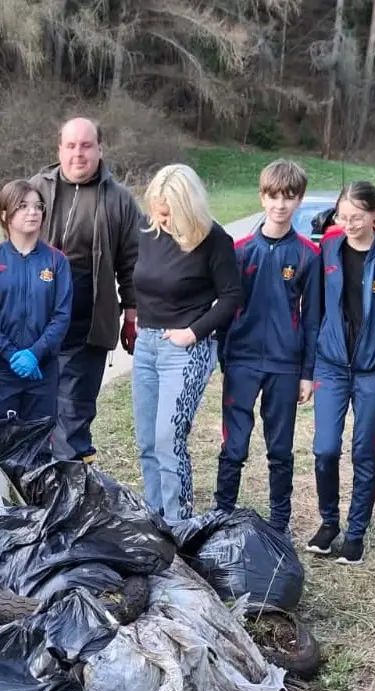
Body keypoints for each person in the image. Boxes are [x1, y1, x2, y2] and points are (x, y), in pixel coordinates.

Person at [214, 159, 321, 531]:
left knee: (280, 449)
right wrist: (224, 353)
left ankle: (279, 524)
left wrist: (308, 372)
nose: (280, 204)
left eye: (288, 197)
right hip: (241, 360)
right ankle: (221, 514)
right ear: (262, 197)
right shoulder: (240, 250)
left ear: (299, 201)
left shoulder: (309, 254)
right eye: (273, 196)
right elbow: (225, 307)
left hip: (285, 364)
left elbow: (312, 318)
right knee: (234, 445)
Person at [131, 163, 241, 522]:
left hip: (185, 349)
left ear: (187, 206)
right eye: (156, 211)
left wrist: (193, 332)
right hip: (146, 345)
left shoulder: (214, 240)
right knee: (147, 442)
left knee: (168, 440)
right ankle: (154, 518)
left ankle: (178, 525)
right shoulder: (147, 232)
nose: (160, 219)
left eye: (168, 213)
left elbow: (230, 297)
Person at [308, 181, 375, 566]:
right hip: (331, 365)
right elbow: (315, 307)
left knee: (364, 452)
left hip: (374, 371)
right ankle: (328, 522)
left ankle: (355, 532)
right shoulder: (328, 249)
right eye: (342, 216)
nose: (348, 223)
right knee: (325, 449)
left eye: (356, 216)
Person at [30, 117, 141, 463]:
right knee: (34, 413)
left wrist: (132, 315)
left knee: (73, 414)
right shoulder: (35, 189)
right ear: (59, 149)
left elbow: (133, 261)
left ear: (100, 150)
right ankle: (34, 496)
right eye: (71, 146)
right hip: (35, 325)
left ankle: (71, 494)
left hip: (88, 325)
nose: (78, 154)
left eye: (86, 145)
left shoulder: (120, 200)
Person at [0, 180, 73, 421]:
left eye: (38, 206)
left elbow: (61, 316)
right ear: (5, 214)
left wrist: (35, 354)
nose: (33, 212)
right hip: (0, 371)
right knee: (2, 447)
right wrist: (10, 355)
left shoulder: (57, 262)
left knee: (37, 449)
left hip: (42, 371)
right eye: (23, 206)